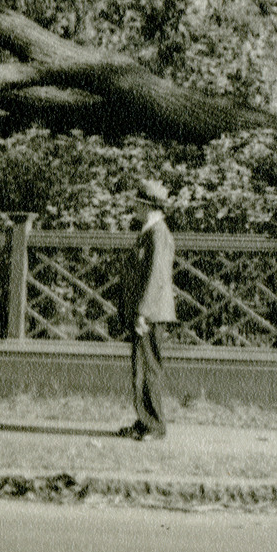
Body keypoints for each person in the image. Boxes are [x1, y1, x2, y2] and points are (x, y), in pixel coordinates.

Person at [118, 178, 176, 439]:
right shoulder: (150, 231)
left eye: (138, 204)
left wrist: (143, 311)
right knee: (140, 367)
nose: (134, 208)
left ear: (149, 207)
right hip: (147, 311)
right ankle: (144, 421)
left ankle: (155, 425)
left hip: (151, 313)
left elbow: (157, 276)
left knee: (149, 368)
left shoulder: (158, 233)